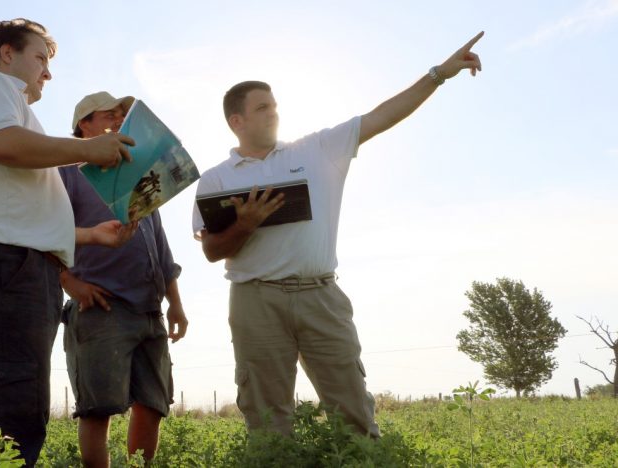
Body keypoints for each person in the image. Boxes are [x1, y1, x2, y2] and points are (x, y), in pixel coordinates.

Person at [192, 32, 484, 437]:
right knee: (266, 416)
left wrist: (439, 74)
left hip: (321, 295)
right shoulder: (215, 179)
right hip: (255, 299)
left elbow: (383, 115)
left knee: (352, 408)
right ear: (236, 121)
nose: (273, 113)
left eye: (275, 106)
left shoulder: (317, 149)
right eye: (262, 108)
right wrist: (245, 223)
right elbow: (211, 250)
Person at [0, 19, 138, 466]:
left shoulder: (15, 109)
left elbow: (18, 214)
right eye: (41, 58)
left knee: (20, 412)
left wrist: (90, 235)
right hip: (6, 268)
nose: (47, 74)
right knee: (8, 419)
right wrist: (89, 150)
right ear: (7, 53)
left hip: (18, 268)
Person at [59, 92, 189, 467]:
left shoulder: (137, 171)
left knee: (152, 404)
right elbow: (47, 230)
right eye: (109, 116)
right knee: (98, 409)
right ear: (84, 124)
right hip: (102, 306)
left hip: (150, 311)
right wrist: (69, 282)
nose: (119, 122)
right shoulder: (66, 171)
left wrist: (175, 302)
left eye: (122, 117)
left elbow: (159, 246)